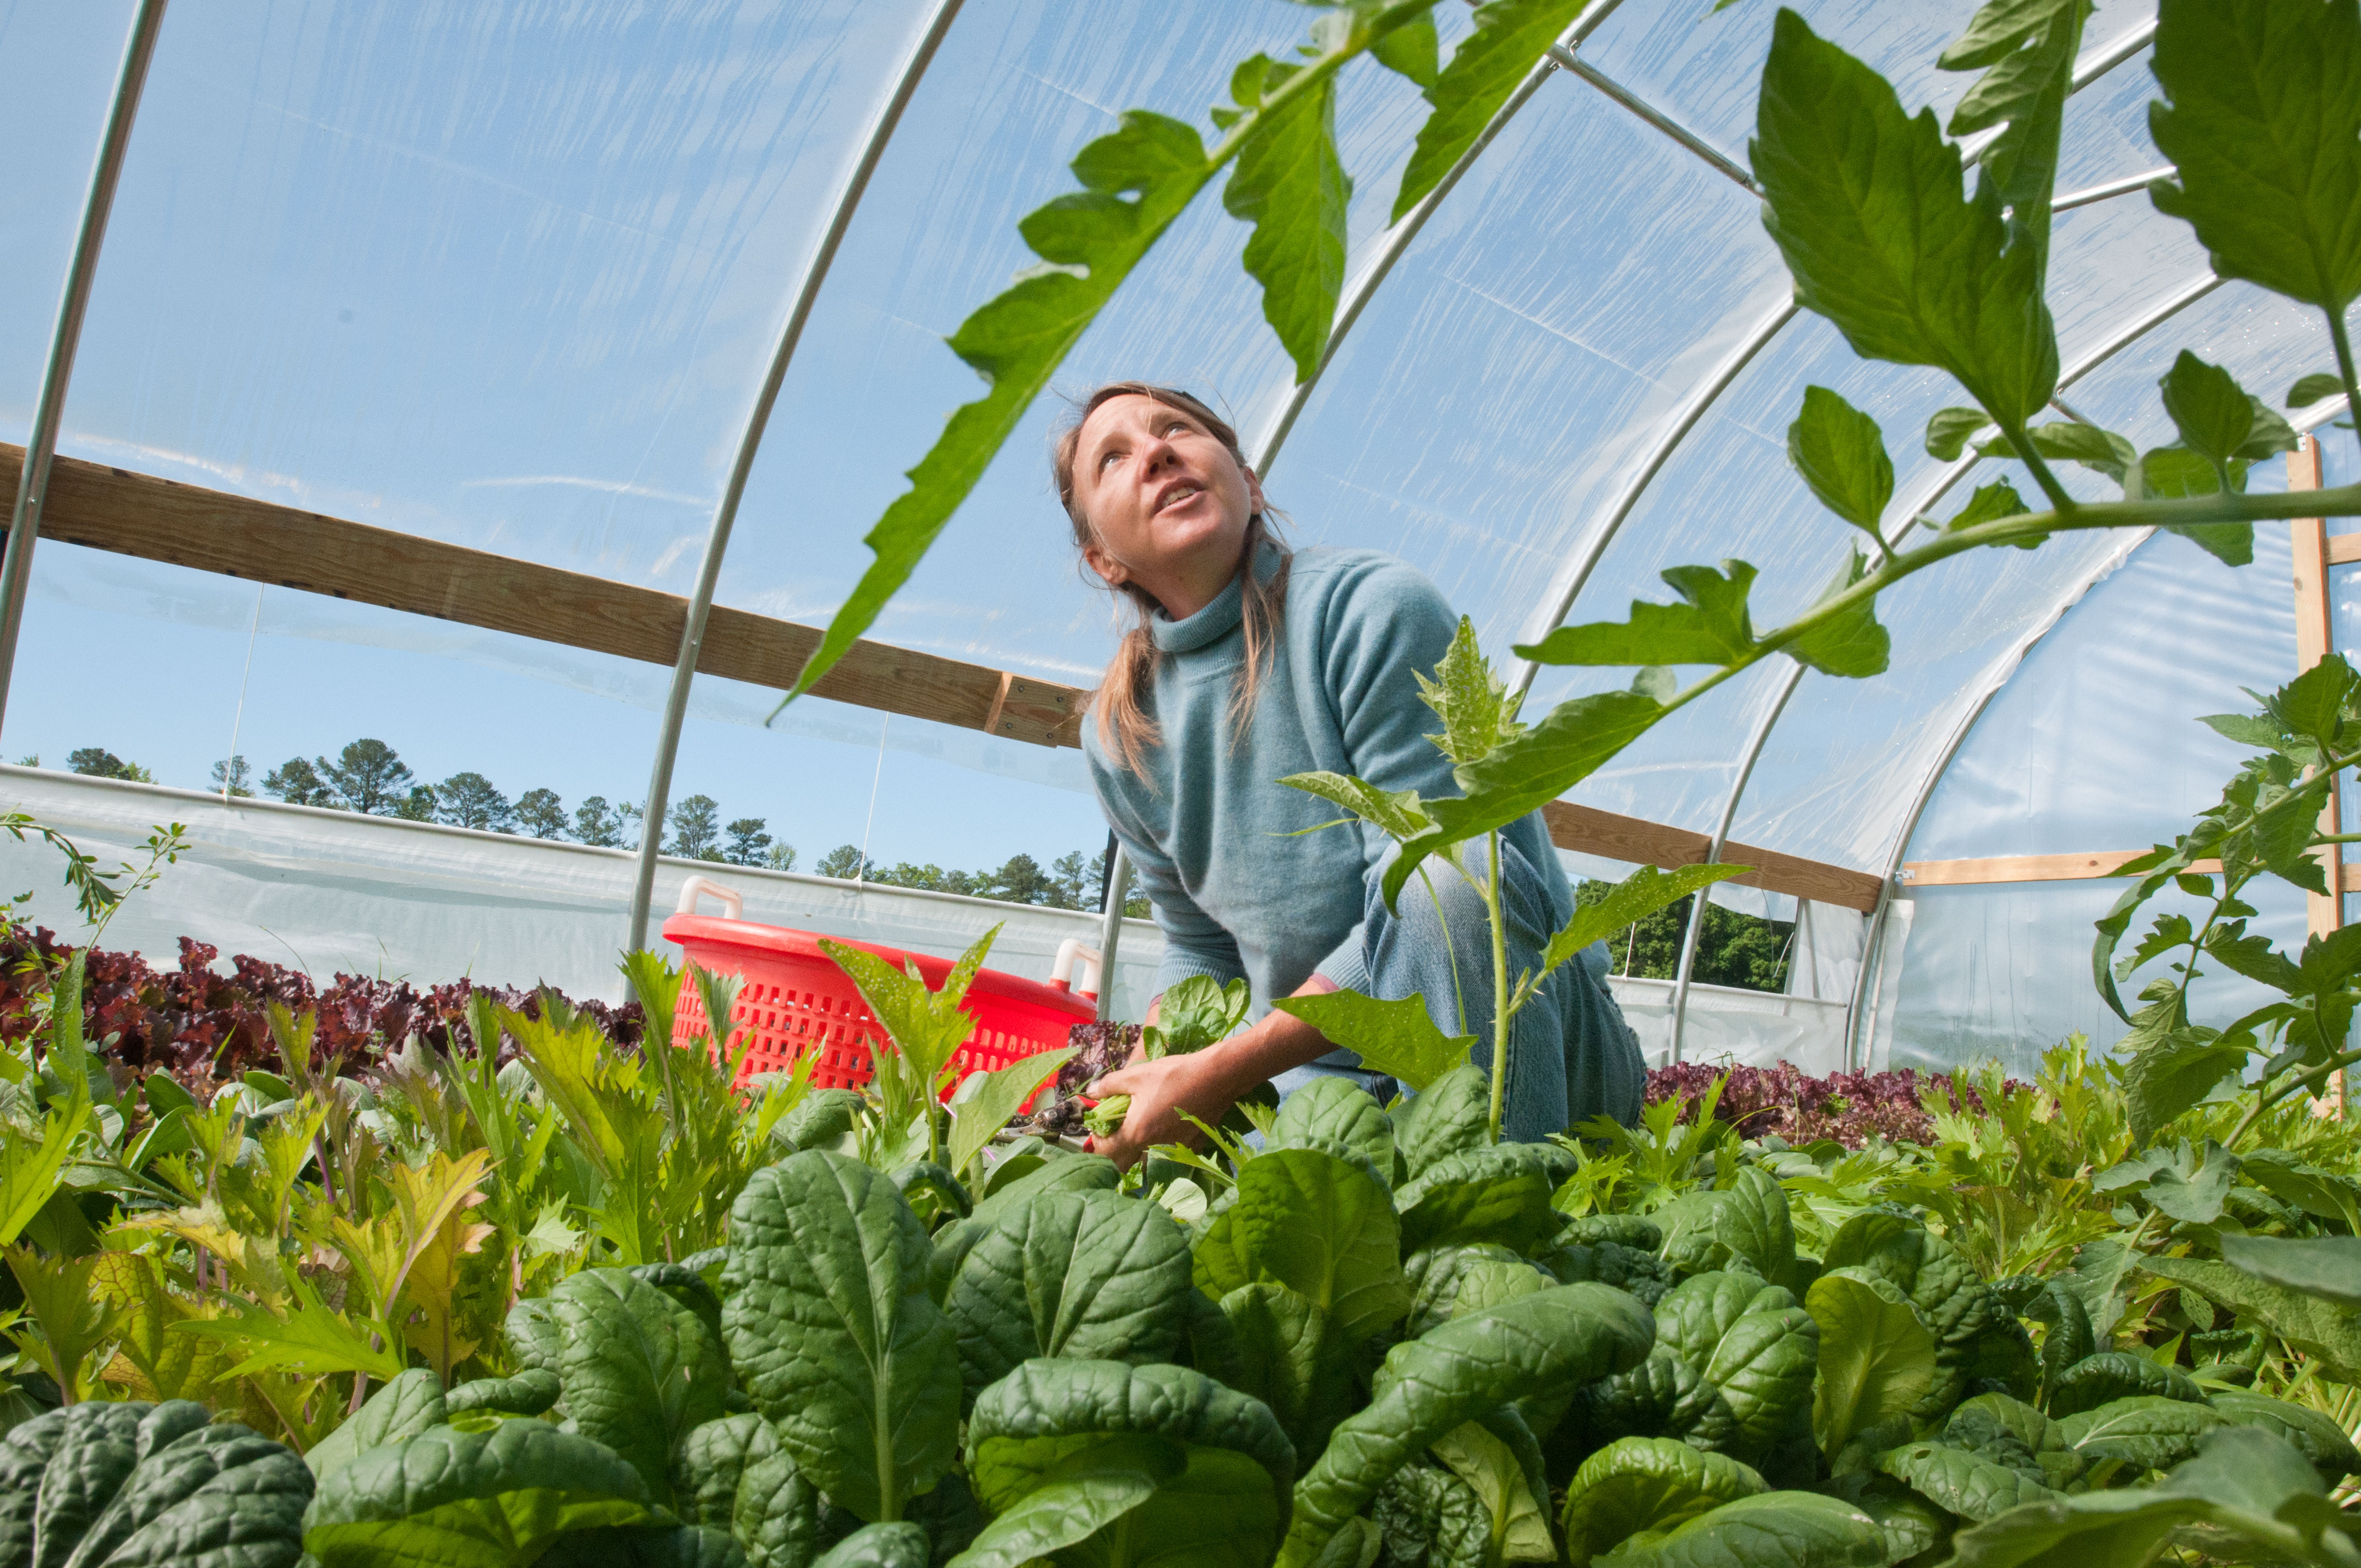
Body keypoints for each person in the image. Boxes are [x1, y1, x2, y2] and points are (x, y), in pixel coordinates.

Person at [1060, 382, 1644, 1168]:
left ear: (1249, 482)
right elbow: (1198, 945)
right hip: (1315, 1083)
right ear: (1103, 559)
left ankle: (1509, 1212)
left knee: (1450, 879)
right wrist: (1159, 1065)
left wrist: (1225, 1072)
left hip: (1530, 1037)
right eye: (1115, 457)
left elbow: (1436, 898)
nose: (1158, 450)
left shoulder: (1367, 610)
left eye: (1178, 429)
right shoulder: (1124, 733)